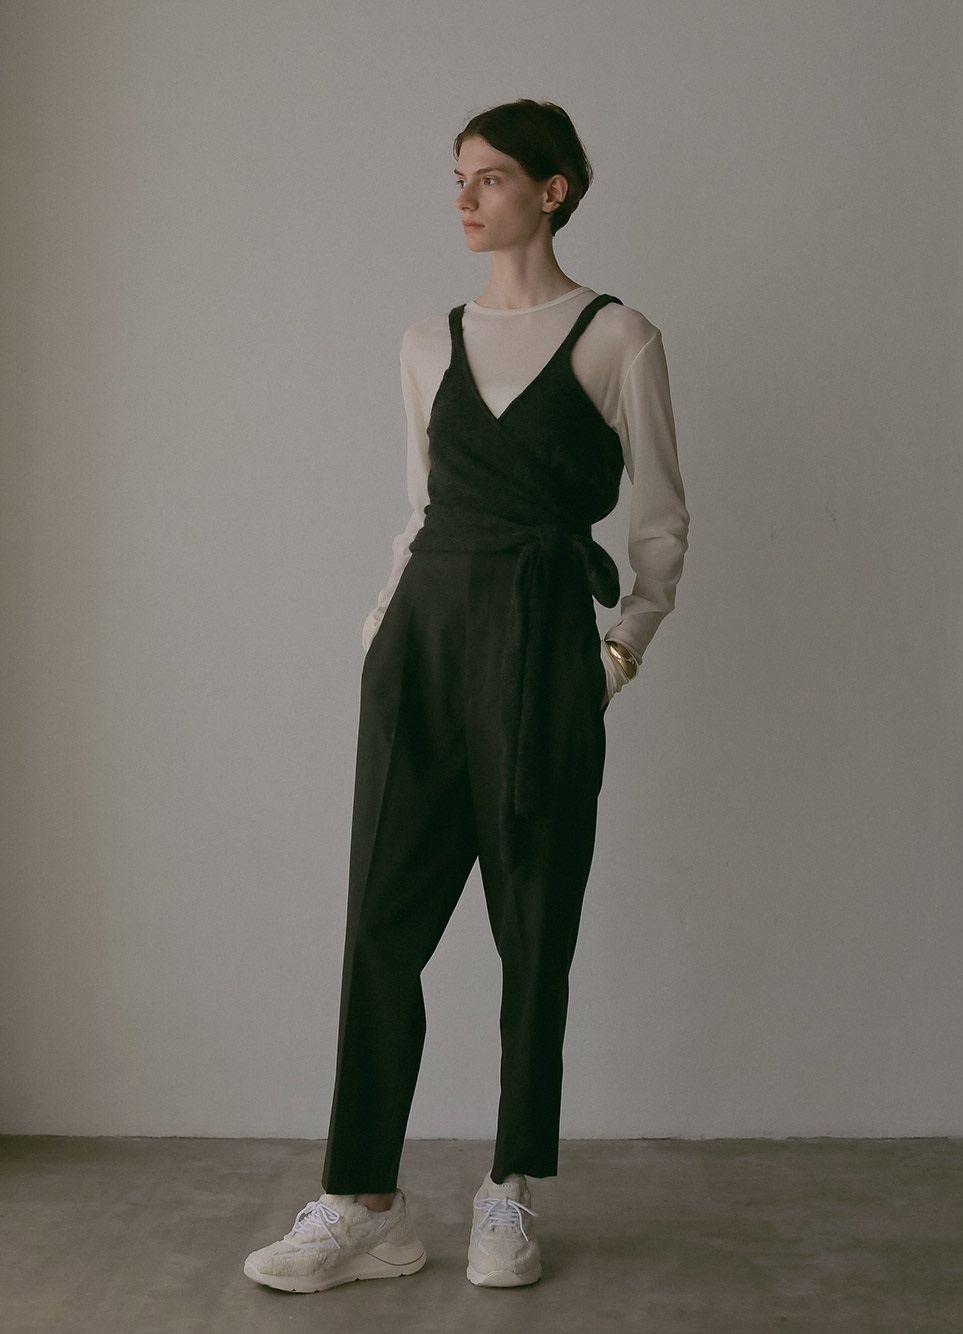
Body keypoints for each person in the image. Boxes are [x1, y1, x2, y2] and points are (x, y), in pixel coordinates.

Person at [243, 98, 688, 1294]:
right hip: (423, 643)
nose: (465, 197)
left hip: (543, 642)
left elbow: (661, 521)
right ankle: (363, 1200)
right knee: (381, 920)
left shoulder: (616, 337)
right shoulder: (424, 342)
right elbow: (419, 509)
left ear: (552, 188)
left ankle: (510, 1187)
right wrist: (379, 633)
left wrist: (618, 651)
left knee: (533, 925)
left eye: (489, 176)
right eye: (457, 177)